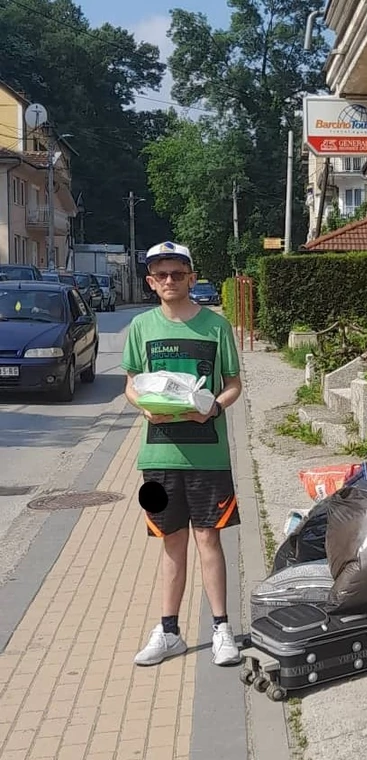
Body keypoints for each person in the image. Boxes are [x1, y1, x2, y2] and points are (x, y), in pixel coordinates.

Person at [122, 241, 243, 667]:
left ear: (191, 278)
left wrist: (215, 406)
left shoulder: (215, 327)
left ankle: (222, 630)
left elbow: (233, 384)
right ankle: (169, 631)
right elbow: (131, 384)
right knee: (169, 542)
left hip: (208, 456)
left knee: (209, 538)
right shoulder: (140, 327)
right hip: (157, 457)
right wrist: (144, 407)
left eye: (178, 273)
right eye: (162, 275)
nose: (170, 281)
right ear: (151, 282)